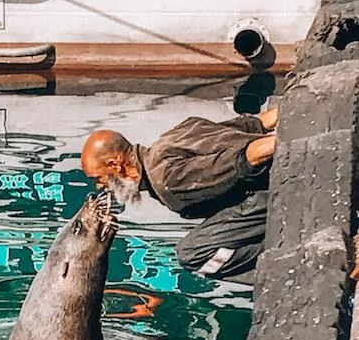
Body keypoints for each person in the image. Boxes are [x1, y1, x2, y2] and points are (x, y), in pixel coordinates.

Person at [81, 108, 279, 283]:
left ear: (115, 165)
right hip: (259, 187)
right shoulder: (170, 138)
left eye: (99, 178)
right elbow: (255, 124)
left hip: (268, 192)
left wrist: (289, 145)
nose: (100, 187)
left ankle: (276, 263)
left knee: (192, 254)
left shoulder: (167, 180)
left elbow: (245, 159)